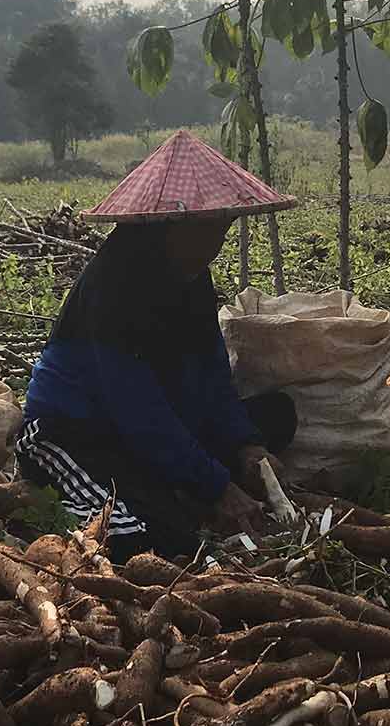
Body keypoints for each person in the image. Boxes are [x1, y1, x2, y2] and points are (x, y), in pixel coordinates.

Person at [18, 131, 299, 561]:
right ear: (169, 227)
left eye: (221, 230)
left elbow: (211, 373)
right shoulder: (113, 286)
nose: (214, 245)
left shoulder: (190, 277)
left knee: (277, 415)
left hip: (155, 425)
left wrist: (246, 444)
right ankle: (169, 495)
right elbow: (134, 408)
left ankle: (178, 485)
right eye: (207, 230)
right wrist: (216, 485)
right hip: (80, 430)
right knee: (146, 539)